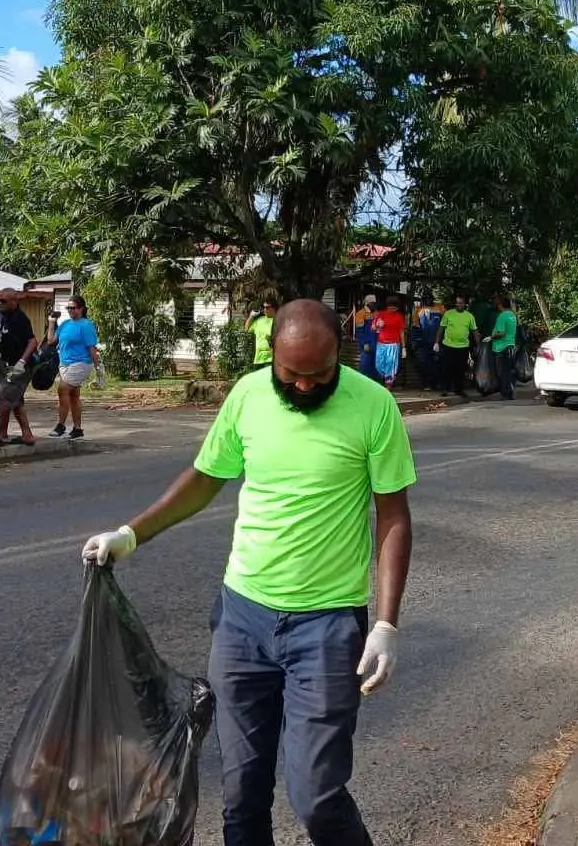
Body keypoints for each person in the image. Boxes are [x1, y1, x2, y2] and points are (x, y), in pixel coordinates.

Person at [81, 300, 415, 846]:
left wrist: (386, 624)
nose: (305, 386)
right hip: (241, 623)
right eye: (292, 375)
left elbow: (393, 515)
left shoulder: (373, 406)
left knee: (318, 798)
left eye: (320, 374)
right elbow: (205, 478)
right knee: (241, 800)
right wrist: (131, 534)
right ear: (273, 358)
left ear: (341, 355)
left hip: (328, 629)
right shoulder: (248, 394)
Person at [0, 289, 39, 447]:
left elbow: (33, 342)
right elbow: (3, 337)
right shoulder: (6, 318)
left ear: (14, 302)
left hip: (20, 367)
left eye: (3, 301)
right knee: (16, 402)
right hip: (9, 364)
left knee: (2, 397)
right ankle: (27, 436)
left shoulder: (19, 319)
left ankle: (2, 435)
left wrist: (21, 362)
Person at [50, 294, 103, 441]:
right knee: (73, 395)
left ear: (81, 309)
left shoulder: (86, 325)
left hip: (81, 363)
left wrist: (98, 370)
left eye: (73, 308)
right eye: (68, 308)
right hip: (64, 363)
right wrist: (51, 322)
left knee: (63, 389)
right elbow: (51, 341)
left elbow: (92, 349)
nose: (70, 310)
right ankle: (77, 429)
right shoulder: (65, 324)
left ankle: (60, 425)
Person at [435, 293, 478, 397]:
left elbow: (474, 331)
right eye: (457, 303)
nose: (459, 305)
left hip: (463, 347)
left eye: (461, 303)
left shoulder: (469, 316)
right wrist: (437, 342)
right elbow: (441, 329)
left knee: (460, 369)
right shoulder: (448, 314)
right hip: (448, 345)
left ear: (465, 304)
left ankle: (458, 389)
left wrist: (478, 344)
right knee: (447, 368)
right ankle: (445, 388)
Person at [410, 290, 445, 390]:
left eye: (430, 298)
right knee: (423, 363)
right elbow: (415, 326)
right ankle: (427, 384)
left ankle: (437, 383)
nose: (428, 300)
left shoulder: (440, 308)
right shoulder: (418, 310)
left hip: (438, 341)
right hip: (423, 342)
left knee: (438, 363)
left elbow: (445, 325)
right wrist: (415, 341)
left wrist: (441, 341)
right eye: (426, 299)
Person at [371, 295, 406, 389]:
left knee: (391, 365)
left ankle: (389, 386)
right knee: (379, 365)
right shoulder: (381, 314)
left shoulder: (399, 316)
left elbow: (401, 332)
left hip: (394, 344)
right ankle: (384, 381)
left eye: (395, 306)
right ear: (387, 305)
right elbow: (373, 328)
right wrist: (378, 325)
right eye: (391, 306)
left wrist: (403, 347)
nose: (393, 308)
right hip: (381, 344)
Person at [488, 295, 519, 400]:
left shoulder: (502, 316)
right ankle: (510, 392)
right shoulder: (512, 315)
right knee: (509, 371)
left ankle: (505, 393)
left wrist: (491, 337)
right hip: (510, 345)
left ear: (500, 305)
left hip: (500, 347)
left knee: (502, 372)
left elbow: (501, 332)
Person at [352, 294, 379, 381]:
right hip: (366, 344)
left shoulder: (376, 313)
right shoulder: (360, 314)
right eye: (372, 303)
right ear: (367, 303)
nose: (374, 305)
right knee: (365, 365)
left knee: (376, 366)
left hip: (377, 343)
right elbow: (360, 331)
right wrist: (364, 343)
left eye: (374, 303)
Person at [246, 298, 278, 370]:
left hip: (270, 359)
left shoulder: (277, 321)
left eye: (267, 307)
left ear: (274, 309)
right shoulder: (259, 320)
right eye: (264, 307)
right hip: (258, 358)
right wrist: (251, 316)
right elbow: (247, 329)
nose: (265, 309)